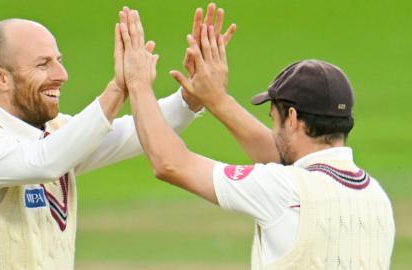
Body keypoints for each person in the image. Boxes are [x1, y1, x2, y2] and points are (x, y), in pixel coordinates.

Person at [0, 6, 226, 269]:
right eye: (43, 64)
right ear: (1, 78)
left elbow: (138, 132)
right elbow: (45, 161)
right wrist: (119, 88)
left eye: (59, 61)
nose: (61, 74)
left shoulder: (57, 135)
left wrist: (191, 96)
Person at [118, 6, 395, 269]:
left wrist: (138, 83)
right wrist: (216, 99)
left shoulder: (283, 190)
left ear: (293, 119)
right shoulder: (376, 197)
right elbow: (285, 157)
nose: (273, 132)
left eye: (273, 120)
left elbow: (171, 164)